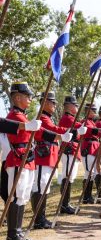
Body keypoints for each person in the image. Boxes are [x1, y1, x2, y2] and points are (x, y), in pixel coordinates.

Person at [5, 83, 69, 240]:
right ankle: (12, 234)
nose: (30, 99)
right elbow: (34, 131)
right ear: (17, 97)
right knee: (16, 195)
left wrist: (61, 137)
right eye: (28, 96)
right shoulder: (14, 115)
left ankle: (18, 232)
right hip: (18, 159)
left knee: (23, 195)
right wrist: (25, 126)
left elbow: (40, 132)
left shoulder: (23, 116)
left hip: (27, 160)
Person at [31, 92, 73, 229]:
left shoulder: (47, 117)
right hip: (43, 156)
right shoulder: (42, 117)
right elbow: (53, 130)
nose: (55, 104)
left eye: (55, 102)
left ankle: (41, 217)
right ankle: (38, 219)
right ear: (44, 103)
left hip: (49, 156)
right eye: (52, 102)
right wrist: (73, 131)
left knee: (44, 186)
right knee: (40, 186)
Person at [58, 96, 88, 214]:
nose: (76, 107)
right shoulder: (68, 118)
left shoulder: (71, 118)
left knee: (69, 177)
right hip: (69, 149)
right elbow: (78, 128)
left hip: (73, 149)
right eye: (75, 105)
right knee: (67, 177)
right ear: (69, 106)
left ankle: (65, 203)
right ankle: (64, 205)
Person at [81, 103, 101, 204]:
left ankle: (88, 196)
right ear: (88, 111)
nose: (95, 113)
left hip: (93, 148)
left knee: (92, 173)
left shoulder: (91, 122)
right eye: (93, 110)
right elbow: (93, 131)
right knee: (88, 172)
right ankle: (86, 196)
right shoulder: (84, 121)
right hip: (88, 148)